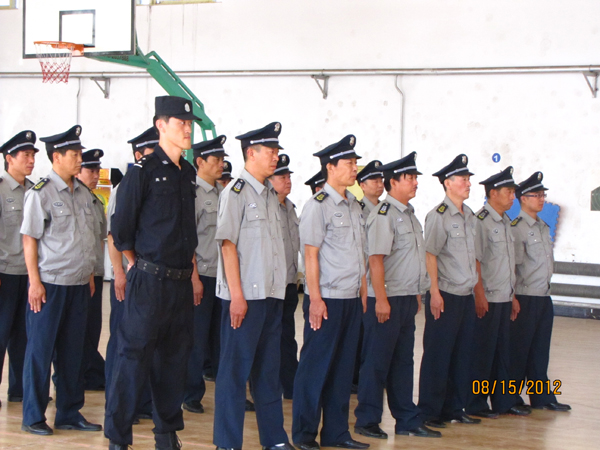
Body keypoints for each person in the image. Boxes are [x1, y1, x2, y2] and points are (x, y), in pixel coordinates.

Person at [105, 96, 201, 450]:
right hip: (149, 282)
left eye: (189, 124)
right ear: (161, 125)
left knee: (174, 362)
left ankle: (166, 433)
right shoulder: (141, 172)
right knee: (133, 359)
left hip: (179, 283)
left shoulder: (187, 173)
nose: (187, 129)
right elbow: (121, 230)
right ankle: (118, 438)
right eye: (180, 123)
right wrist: (139, 264)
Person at [213, 122, 292, 450]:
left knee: (268, 373)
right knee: (234, 373)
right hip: (244, 298)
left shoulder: (271, 195)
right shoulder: (235, 193)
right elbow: (227, 245)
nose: (276, 157)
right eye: (269, 151)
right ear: (251, 153)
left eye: (276, 151)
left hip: (271, 296)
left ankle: (274, 440)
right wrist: (237, 296)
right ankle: (227, 442)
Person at [20, 125, 101, 435]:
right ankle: (33, 416)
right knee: (40, 352)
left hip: (79, 285)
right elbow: (30, 239)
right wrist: (34, 282)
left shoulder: (84, 194)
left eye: (80, 154)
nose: (80, 159)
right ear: (57, 157)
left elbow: (87, 238)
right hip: (50, 285)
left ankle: (69, 412)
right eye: (75, 154)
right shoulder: (40, 193)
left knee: (73, 354)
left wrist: (89, 274)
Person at [354, 152, 440, 439]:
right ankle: (367, 420)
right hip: (386, 299)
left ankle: (406, 419)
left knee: (403, 361)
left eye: (415, 177)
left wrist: (416, 292)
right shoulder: (384, 215)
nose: (415, 182)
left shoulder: (410, 215)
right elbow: (375, 260)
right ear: (394, 182)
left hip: (405, 298)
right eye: (410, 178)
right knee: (376, 362)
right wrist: (380, 299)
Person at [292, 135, 369, 450]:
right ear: (331, 167)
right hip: (325, 300)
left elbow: (359, 253)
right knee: (315, 369)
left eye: (355, 163)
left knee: (342, 371)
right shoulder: (318, 206)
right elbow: (310, 255)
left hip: (350, 299)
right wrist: (315, 299)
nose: (354, 168)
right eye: (349, 163)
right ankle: (304, 434)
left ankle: (337, 433)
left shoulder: (353, 205)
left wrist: (362, 291)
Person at [417, 154, 481, 429]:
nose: (468, 184)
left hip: (465, 294)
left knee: (462, 354)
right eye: (463, 179)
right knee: (438, 354)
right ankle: (430, 410)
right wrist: (433, 291)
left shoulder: (470, 216)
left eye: (468, 179)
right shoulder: (439, 216)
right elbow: (430, 254)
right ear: (448, 183)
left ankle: (454, 407)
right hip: (445, 294)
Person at [466, 166, 530, 417]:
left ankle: (504, 401)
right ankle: (476, 403)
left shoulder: (505, 222)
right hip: (489, 297)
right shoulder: (481, 221)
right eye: (508, 192)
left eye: (514, 192)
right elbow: (476, 261)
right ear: (493, 193)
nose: (513, 197)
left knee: (503, 352)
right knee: (483, 353)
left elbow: (508, 263)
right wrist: (480, 294)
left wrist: (512, 296)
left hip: (504, 296)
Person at [104, 127, 158, 422]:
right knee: (123, 343)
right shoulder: (125, 187)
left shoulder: (156, 186)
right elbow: (114, 236)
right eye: (152, 151)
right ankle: (117, 403)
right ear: (139, 155)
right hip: (129, 275)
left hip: (148, 278)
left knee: (147, 341)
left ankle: (142, 402)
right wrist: (120, 272)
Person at [508, 172, 571, 412]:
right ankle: (511, 397)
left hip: (543, 296)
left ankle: (542, 397)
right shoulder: (517, 228)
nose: (542, 199)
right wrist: (513, 297)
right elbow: (512, 267)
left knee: (540, 350)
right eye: (537, 195)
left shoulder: (543, 227)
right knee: (519, 350)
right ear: (523, 198)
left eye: (543, 195)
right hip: (525, 296)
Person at [183, 135, 226, 414]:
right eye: (216, 160)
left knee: (221, 339)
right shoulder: (193, 194)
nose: (221, 164)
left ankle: (226, 392)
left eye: (222, 159)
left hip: (223, 277)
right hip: (202, 275)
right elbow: (188, 240)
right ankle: (190, 393)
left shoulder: (224, 193)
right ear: (200, 162)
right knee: (197, 339)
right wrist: (194, 278)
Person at [0, 131, 37, 407]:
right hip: (4, 273)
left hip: (29, 275)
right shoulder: (1, 190)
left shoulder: (35, 191)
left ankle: (20, 389)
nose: (31, 160)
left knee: (24, 335)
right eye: (25, 155)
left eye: (33, 155)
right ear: (9, 158)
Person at [268, 154, 300, 400]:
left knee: (287, 336)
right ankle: (267, 385)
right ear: (269, 180)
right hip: (271, 285)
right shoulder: (266, 208)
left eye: (289, 176)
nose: (287, 181)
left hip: (289, 283)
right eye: (282, 177)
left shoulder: (290, 208)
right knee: (269, 338)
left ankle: (290, 384)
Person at [76, 149, 107, 391]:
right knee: (76, 331)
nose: (96, 176)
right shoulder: (74, 200)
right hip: (78, 275)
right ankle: (74, 375)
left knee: (92, 329)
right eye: (91, 171)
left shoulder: (96, 202)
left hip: (96, 273)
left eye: (98, 171)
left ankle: (88, 373)